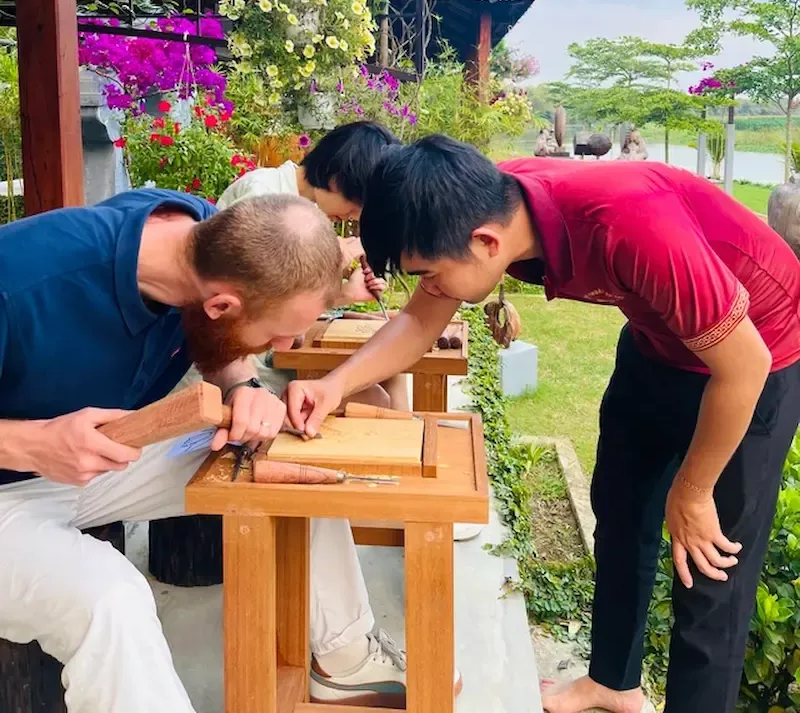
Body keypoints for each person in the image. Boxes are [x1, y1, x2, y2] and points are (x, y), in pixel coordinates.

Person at [286, 134, 800, 713]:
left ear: (486, 243)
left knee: (708, 565)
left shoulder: (631, 225)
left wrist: (695, 490)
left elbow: (744, 365)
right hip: (657, 343)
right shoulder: (482, 206)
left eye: (429, 275)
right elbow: (418, 324)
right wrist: (333, 385)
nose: (429, 290)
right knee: (621, 513)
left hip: (758, 354)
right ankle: (614, 681)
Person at [0, 188, 450, 712]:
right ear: (221, 305)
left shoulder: (208, 235)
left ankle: (345, 662)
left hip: (95, 459)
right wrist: (32, 444)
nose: (283, 349)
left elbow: (219, 345)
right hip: (13, 485)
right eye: (276, 335)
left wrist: (244, 387)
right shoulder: (21, 282)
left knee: (288, 450)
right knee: (108, 601)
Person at [218, 121, 410, 411]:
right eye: (356, 205)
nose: (354, 216)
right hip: (239, 367)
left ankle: (408, 435)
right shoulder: (262, 196)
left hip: (268, 347)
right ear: (337, 178)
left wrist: (346, 294)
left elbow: (284, 299)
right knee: (373, 399)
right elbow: (255, 302)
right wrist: (336, 262)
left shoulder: (303, 206)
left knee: (390, 370)